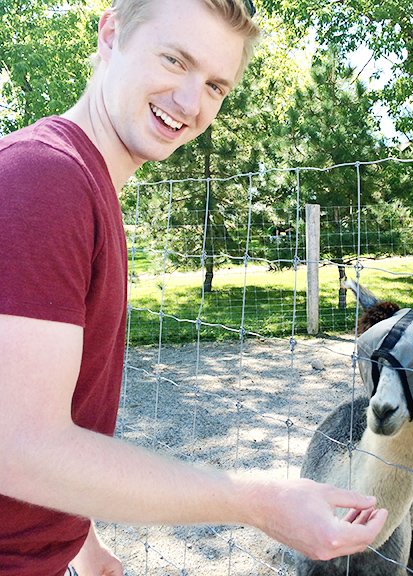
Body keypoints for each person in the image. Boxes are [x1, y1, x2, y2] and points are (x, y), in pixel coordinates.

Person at [0, 0, 388, 575]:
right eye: (174, 60)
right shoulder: (46, 180)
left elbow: (43, 410)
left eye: (215, 85)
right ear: (111, 34)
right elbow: (20, 448)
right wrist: (257, 503)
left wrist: (84, 546)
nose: (189, 102)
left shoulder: (80, 184)